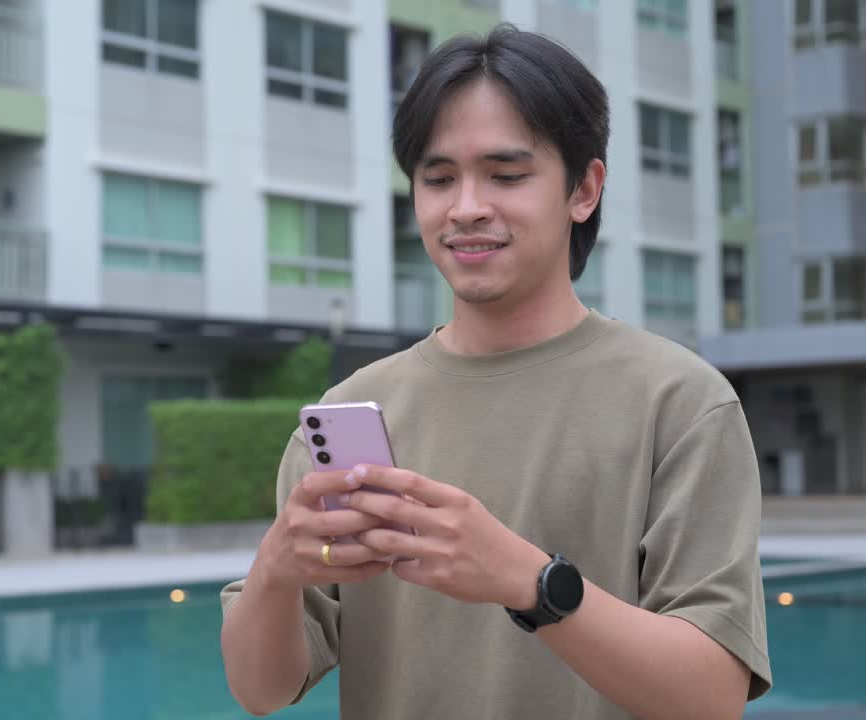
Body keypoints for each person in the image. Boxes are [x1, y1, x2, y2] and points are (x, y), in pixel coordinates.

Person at [219, 24, 771, 720]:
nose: (466, 207)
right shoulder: (356, 407)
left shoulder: (682, 403)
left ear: (584, 189)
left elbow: (711, 698)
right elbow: (258, 690)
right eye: (438, 178)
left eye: (506, 175)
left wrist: (528, 582)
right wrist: (276, 568)